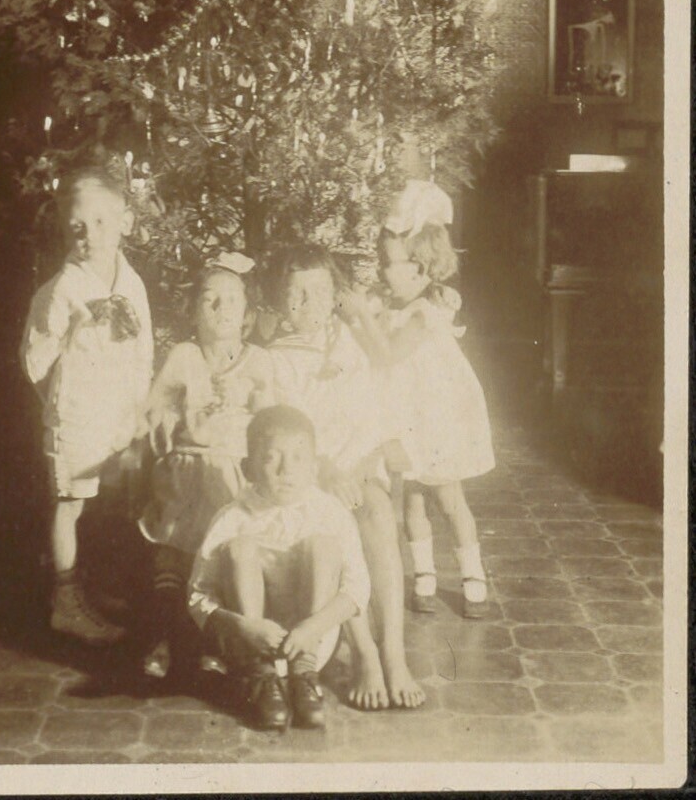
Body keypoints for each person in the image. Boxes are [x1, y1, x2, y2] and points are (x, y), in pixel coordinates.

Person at [264, 245, 425, 711]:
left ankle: (393, 651)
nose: (307, 303)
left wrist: (359, 463)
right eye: (295, 293)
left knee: (376, 511)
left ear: (335, 294)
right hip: (309, 474)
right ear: (279, 299)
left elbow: (369, 410)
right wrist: (327, 471)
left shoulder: (350, 342)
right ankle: (364, 653)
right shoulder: (277, 357)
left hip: (357, 463)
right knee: (336, 522)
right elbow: (287, 427)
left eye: (318, 291)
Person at [343, 179, 495, 618]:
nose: (383, 272)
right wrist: (357, 319)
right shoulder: (390, 307)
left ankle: (473, 575)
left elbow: (389, 354)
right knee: (411, 497)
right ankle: (424, 574)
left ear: (422, 268)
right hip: (402, 416)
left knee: (447, 498)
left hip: (434, 417)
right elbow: (371, 352)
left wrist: (362, 315)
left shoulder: (428, 311)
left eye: (391, 264)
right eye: (383, 262)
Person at [20, 164, 154, 643]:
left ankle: (93, 585)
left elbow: (143, 350)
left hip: (117, 415)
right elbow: (34, 362)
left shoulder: (131, 284)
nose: (89, 235)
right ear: (65, 230)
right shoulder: (60, 291)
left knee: (106, 503)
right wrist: (67, 344)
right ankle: (65, 600)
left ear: (125, 222)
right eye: (77, 226)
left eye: (100, 222)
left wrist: (138, 409)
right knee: (69, 502)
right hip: (77, 415)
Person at [188, 405, 371, 732]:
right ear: (248, 468)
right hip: (253, 638)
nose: (287, 470)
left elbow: (357, 589)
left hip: (312, 636)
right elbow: (198, 595)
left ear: (314, 468)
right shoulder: (233, 517)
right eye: (271, 458)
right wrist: (245, 626)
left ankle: (304, 676)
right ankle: (262, 677)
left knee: (322, 545)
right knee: (241, 547)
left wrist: (313, 628)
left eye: (299, 458)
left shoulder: (329, 512)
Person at [139, 253, 274, 679]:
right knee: (174, 552)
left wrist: (255, 408)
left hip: (233, 473)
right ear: (193, 311)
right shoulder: (184, 355)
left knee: (221, 556)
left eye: (231, 300)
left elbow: (272, 421)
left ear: (248, 315)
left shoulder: (258, 361)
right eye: (209, 299)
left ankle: (216, 645)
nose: (220, 308)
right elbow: (156, 405)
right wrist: (165, 421)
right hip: (186, 469)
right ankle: (163, 637)